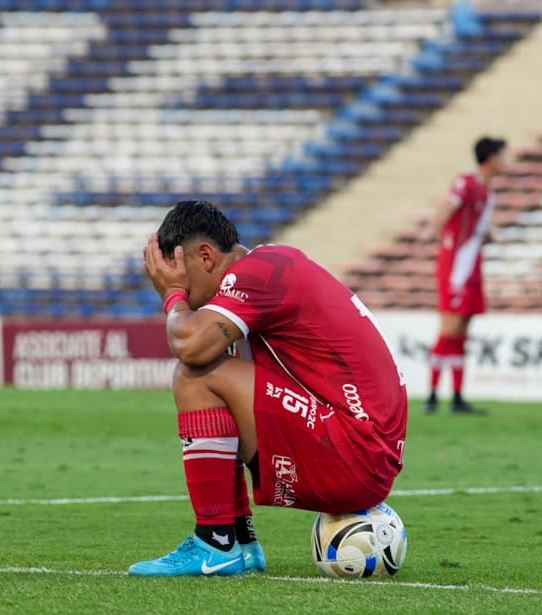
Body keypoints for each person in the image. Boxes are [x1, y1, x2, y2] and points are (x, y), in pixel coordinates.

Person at [131, 200, 408, 577]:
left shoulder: (258, 272)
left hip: (356, 450)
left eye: (183, 277)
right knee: (221, 362)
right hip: (365, 450)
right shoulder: (270, 269)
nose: (188, 296)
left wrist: (172, 296)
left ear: (207, 257)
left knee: (195, 373)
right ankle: (239, 541)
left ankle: (214, 543)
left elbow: (190, 344)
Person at [422, 136, 505, 414]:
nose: (505, 161)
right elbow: (448, 206)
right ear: (491, 158)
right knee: (450, 327)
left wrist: (492, 236)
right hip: (456, 266)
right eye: (502, 156)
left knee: (464, 330)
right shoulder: (467, 182)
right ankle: (432, 395)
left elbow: (478, 225)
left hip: (473, 267)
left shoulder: (488, 191)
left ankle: (457, 397)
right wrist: (432, 231)